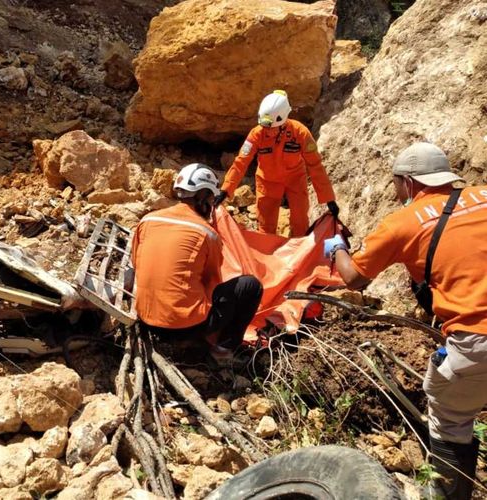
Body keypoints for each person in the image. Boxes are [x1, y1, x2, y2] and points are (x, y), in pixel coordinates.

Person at [325, 142, 487, 500]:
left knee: (451, 420)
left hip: (477, 338)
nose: (395, 191)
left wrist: (336, 248)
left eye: (396, 184)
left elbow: (354, 278)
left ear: (409, 183)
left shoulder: (401, 223)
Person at [131, 163, 263, 363]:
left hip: (146, 319)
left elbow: (136, 264)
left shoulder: (147, 220)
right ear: (202, 196)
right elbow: (212, 281)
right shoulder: (207, 233)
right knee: (251, 286)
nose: (211, 204)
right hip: (184, 328)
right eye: (210, 198)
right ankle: (223, 351)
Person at [216, 90, 338, 237]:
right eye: (265, 126)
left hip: (295, 179)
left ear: (283, 121)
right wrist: (225, 189)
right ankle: (267, 256)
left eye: (271, 127)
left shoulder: (300, 133)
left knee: (300, 221)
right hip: (267, 181)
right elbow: (241, 162)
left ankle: (299, 254)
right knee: (266, 226)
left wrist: (328, 198)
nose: (267, 131)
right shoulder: (257, 133)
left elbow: (315, 165)